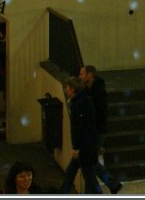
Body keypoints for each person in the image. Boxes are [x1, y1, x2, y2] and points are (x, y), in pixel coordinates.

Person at [78, 65, 122, 194]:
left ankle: (101, 188)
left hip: (96, 131)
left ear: (90, 75)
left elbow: (99, 113)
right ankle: (111, 184)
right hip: (94, 131)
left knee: (89, 162)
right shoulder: (90, 90)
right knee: (90, 162)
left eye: (82, 74)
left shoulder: (98, 92)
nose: (79, 76)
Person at [59, 76, 101, 194]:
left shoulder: (78, 104)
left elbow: (79, 128)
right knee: (77, 174)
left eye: (67, 87)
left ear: (73, 89)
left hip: (84, 149)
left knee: (88, 177)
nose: (66, 89)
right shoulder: (83, 101)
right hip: (87, 147)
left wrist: (77, 147)